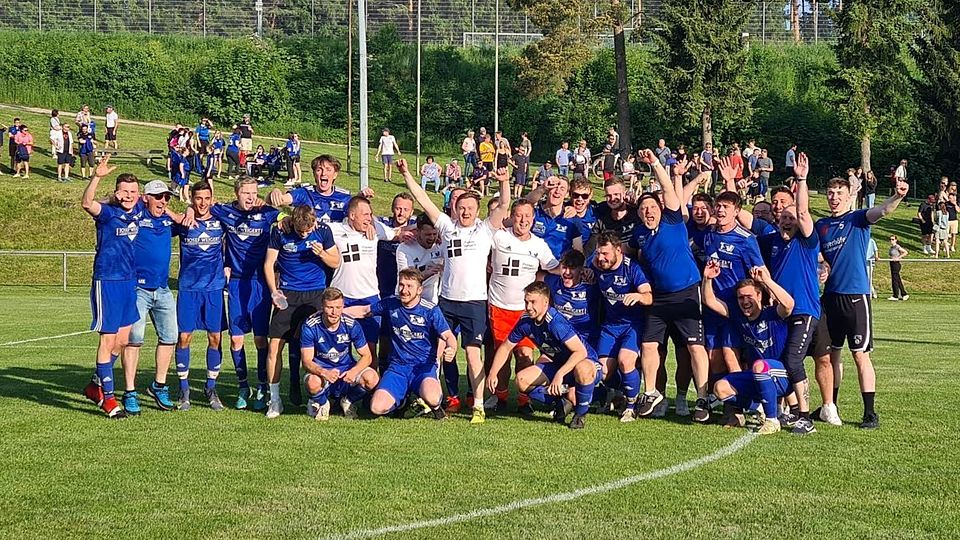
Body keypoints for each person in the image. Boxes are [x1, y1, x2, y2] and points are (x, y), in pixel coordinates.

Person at [399, 158, 509, 423]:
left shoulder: (484, 230)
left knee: (472, 354)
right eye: (461, 207)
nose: (465, 212)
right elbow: (423, 199)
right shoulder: (447, 227)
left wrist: (504, 180)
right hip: (446, 302)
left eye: (470, 208)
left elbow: (505, 205)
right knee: (436, 350)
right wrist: (406, 175)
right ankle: (431, 401)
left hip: (473, 304)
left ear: (477, 210)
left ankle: (479, 406)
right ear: (454, 208)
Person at [816, 172, 910, 429]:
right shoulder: (821, 225)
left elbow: (882, 211)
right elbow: (819, 256)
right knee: (832, 353)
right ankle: (829, 406)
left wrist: (898, 196)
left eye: (839, 194)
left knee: (860, 355)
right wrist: (822, 266)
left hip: (856, 296)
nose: (834, 198)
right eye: (831, 193)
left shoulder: (858, 218)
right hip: (831, 297)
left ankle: (870, 413)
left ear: (849, 197)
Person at [629, 151, 711, 421]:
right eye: (643, 209)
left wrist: (655, 164)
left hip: (687, 293)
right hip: (658, 298)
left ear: (661, 208)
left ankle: (702, 399)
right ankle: (651, 392)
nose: (648, 211)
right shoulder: (639, 234)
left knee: (694, 348)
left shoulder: (673, 220)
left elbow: (667, 187)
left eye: (652, 207)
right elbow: (623, 253)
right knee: (649, 345)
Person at [209, 176, 282, 410]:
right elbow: (202, 206)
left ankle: (262, 385)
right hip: (237, 283)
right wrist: (190, 209)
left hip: (259, 283)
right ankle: (243, 386)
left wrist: (275, 199)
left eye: (253, 193)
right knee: (236, 339)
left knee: (261, 339)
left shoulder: (267, 213)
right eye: (246, 193)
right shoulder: (225, 212)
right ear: (237, 193)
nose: (250, 197)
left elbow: (285, 216)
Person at [487, 281, 602, 429]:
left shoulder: (555, 322)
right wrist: (493, 372)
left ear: (545, 302)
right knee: (521, 380)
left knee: (582, 369)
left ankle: (581, 414)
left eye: (533, 302)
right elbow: (505, 347)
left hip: (585, 362)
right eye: (526, 302)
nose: (528, 307)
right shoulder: (526, 321)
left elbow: (581, 352)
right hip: (559, 365)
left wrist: (559, 375)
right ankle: (562, 401)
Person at [347, 268, 459, 420]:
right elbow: (364, 311)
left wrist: (452, 349)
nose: (404, 290)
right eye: (401, 285)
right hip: (398, 367)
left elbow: (448, 336)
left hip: (423, 368)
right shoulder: (391, 303)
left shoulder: (430, 310)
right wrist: (337, 311)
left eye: (409, 286)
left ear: (420, 290)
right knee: (377, 408)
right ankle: (403, 402)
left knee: (433, 397)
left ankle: (436, 409)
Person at [262, 205, 340, 418]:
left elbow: (336, 261)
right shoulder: (281, 231)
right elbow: (269, 264)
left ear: (314, 223)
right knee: (274, 345)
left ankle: (314, 398)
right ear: (293, 222)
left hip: (315, 295)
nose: (304, 233)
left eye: (307, 230)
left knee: (316, 347)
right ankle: (275, 399)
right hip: (288, 293)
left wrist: (322, 253)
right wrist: (274, 292)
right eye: (300, 231)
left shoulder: (323, 230)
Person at [80, 157, 141, 418]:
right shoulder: (108, 213)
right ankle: (109, 399)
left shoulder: (138, 211)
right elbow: (86, 203)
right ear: (117, 192)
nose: (129, 196)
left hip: (129, 281)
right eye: (125, 191)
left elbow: (160, 206)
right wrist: (97, 177)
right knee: (108, 340)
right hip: (107, 281)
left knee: (123, 340)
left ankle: (96, 385)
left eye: (133, 192)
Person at [486, 199, 560, 413]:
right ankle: (499, 397)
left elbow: (554, 267)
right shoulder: (499, 236)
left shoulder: (538, 245)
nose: (523, 220)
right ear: (512, 217)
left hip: (526, 311)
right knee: (503, 354)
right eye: (519, 215)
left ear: (533, 219)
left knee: (525, 354)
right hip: (500, 307)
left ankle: (523, 399)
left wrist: (578, 271)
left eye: (528, 216)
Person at [170, 181, 228, 411]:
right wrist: (186, 212)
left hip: (213, 289)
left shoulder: (221, 219)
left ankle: (210, 388)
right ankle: (184, 389)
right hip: (188, 289)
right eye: (198, 199)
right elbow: (162, 220)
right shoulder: (185, 223)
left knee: (215, 338)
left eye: (206, 198)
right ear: (192, 199)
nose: (202, 203)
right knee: (184, 338)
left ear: (211, 199)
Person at [123, 181, 179, 414]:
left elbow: (190, 219)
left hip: (163, 289)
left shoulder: (167, 220)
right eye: (158, 197)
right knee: (134, 339)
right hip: (138, 289)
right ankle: (130, 392)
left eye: (166, 197)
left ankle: (159, 385)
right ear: (145, 198)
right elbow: (108, 204)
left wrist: (180, 212)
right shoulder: (134, 216)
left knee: (170, 337)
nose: (163, 201)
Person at [590, 231, 652, 422]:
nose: (601, 258)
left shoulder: (632, 268)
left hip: (631, 325)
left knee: (625, 361)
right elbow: (585, 268)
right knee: (603, 371)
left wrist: (639, 296)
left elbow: (649, 297)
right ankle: (618, 393)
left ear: (618, 250)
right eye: (598, 253)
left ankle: (631, 407)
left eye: (605, 254)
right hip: (610, 325)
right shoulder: (595, 263)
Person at [327, 196, 397, 363]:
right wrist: (283, 220)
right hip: (342, 297)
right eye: (365, 214)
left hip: (369, 297)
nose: (369, 218)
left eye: (370, 214)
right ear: (352, 215)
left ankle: (372, 387)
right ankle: (340, 386)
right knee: (338, 347)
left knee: (369, 349)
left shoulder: (376, 228)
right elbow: (309, 224)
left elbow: (399, 233)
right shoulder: (334, 229)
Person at [299, 288, 380, 420]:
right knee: (312, 382)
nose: (334, 312)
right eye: (330, 307)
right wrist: (324, 372)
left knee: (372, 378)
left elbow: (367, 356)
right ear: (322, 306)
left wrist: (354, 371)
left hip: (345, 370)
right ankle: (323, 403)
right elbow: (306, 361)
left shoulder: (351, 324)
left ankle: (347, 401)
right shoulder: (310, 326)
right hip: (322, 372)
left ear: (343, 306)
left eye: (338, 307)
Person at [269, 154, 373, 225]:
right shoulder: (304, 193)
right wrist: (275, 192)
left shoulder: (344, 197)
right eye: (319, 170)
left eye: (328, 170)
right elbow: (279, 200)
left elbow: (359, 213)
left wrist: (360, 198)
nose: (324, 173)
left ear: (335, 174)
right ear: (314, 174)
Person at [714, 358, 793, 435]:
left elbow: (795, 361)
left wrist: (794, 405)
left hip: (777, 373)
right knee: (720, 388)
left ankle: (772, 420)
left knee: (760, 366)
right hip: (753, 372)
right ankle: (759, 407)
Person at [525, 175, 582, 259]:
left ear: (566, 194)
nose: (557, 191)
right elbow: (524, 203)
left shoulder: (572, 219)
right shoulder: (534, 213)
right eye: (554, 187)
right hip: (532, 266)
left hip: (558, 268)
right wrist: (542, 188)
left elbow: (579, 252)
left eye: (562, 189)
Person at [887, 235, 909, 301]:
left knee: (896, 279)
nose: (891, 241)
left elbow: (905, 252)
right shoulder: (891, 247)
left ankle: (899, 294)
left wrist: (898, 257)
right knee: (896, 279)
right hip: (892, 263)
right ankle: (900, 294)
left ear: (896, 240)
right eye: (890, 239)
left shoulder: (897, 246)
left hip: (896, 264)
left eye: (893, 239)